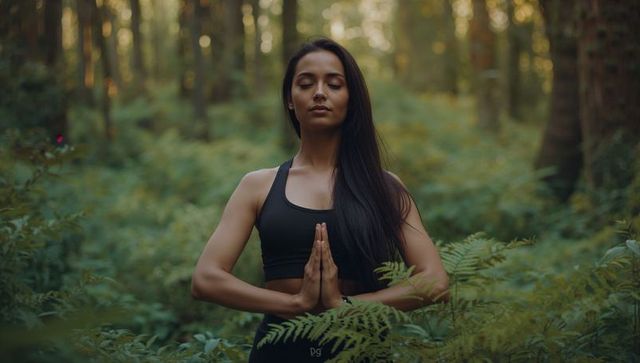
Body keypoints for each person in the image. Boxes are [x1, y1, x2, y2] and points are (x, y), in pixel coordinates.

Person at [191, 38, 449, 362]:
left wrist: (346, 307)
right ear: (289, 99)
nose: (319, 92)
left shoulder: (385, 187)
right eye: (306, 83)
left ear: (351, 98)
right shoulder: (257, 185)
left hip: (360, 350)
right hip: (280, 351)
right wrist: (295, 304)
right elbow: (206, 279)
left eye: (334, 83)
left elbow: (436, 281)